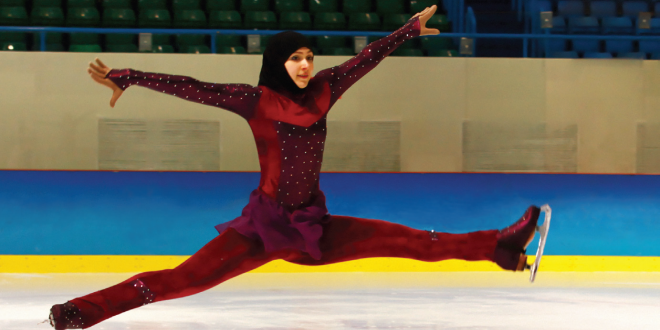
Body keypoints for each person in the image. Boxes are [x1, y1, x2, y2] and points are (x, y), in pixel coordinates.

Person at [48, 6, 542, 329]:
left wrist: (408, 30)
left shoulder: (327, 88)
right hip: (262, 228)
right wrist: (128, 76)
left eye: (309, 56)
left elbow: (366, 59)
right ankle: (79, 312)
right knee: (182, 280)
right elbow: (191, 86)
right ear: (277, 63)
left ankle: (500, 246)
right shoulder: (253, 100)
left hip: (313, 226)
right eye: (295, 58)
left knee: (413, 241)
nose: (305, 65)